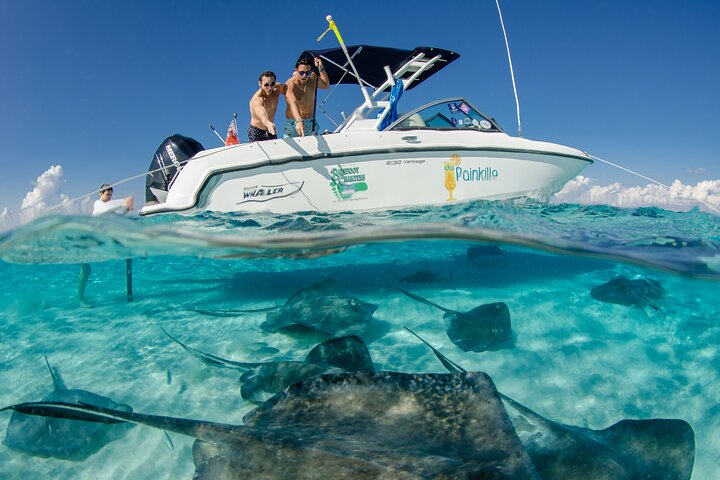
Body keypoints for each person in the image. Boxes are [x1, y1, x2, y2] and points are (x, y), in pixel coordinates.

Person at [78, 184, 134, 305]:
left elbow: (117, 216)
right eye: (107, 194)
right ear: (100, 193)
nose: (109, 197)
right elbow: (106, 209)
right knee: (86, 270)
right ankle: (80, 299)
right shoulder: (98, 205)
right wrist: (123, 201)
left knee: (86, 270)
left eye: (111, 195)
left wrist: (126, 210)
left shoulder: (107, 208)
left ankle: (80, 298)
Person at [284, 57, 329, 138]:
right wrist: (298, 120)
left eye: (307, 73)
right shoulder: (290, 84)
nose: (304, 76)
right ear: (296, 71)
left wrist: (321, 68)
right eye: (301, 73)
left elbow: (325, 85)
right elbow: (292, 103)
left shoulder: (313, 78)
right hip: (294, 123)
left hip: (310, 122)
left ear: (311, 71)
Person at [248, 71, 286, 142]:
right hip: (257, 132)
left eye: (272, 84)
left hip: (270, 130)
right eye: (266, 85)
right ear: (260, 83)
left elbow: (287, 91)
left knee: (274, 152)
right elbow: (263, 115)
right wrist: (268, 124)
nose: (269, 88)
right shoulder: (257, 100)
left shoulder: (276, 90)